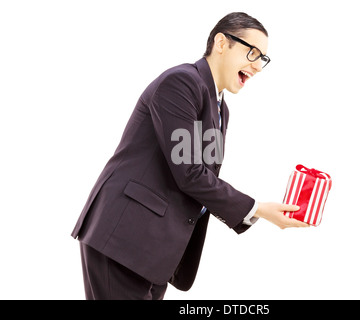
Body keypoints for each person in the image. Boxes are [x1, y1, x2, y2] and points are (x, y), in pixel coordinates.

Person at [71, 12, 309, 300]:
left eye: (263, 59)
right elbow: (190, 173)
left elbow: (204, 179)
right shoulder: (181, 83)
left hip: (156, 251)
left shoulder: (221, 109)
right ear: (222, 42)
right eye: (253, 53)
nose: (257, 66)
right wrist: (258, 209)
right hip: (124, 238)